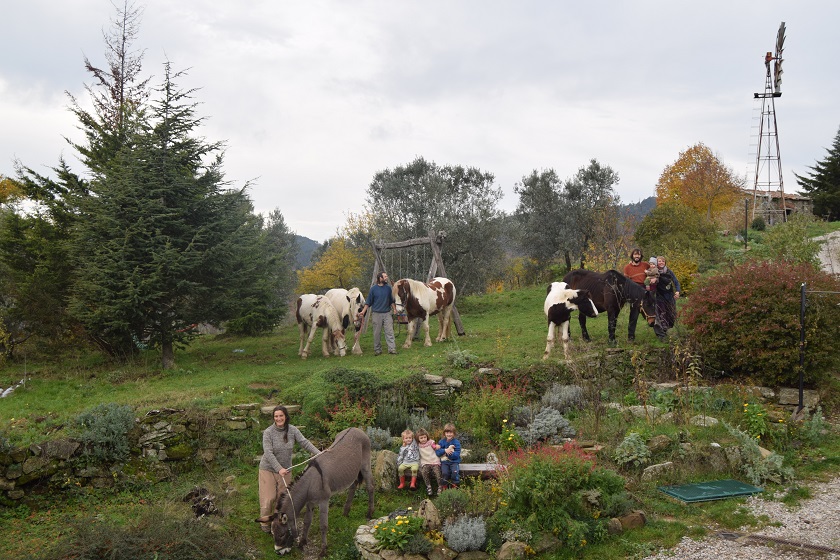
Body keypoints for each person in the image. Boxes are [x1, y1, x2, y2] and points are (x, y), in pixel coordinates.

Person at [258, 405, 320, 533]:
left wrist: (319, 453)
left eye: (281, 415)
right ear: (273, 418)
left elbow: (304, 442)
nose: (279, 418)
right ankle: (265, 523)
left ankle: (276, 523)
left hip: (286, 470)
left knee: (282, 500)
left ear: (285, 416)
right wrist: (278, 468)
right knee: (268, 498)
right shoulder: (268, 432)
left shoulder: (292, 430)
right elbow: (268, 453)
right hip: (268, 469)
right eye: (276, 416)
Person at [357, 271, 397, 355]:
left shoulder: (388, 288)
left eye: (386, 276)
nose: (387, 278)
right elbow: (368, 302)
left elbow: (391, 301)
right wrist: (363, 312)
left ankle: (392, 349)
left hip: (387, 314)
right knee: (376, 333)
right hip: (376, 314)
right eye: (385, 276)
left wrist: (394, 309)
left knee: (389, 332)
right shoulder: (373, 289)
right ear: (380, 278)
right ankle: (377, 350)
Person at [623, 248, 650, 342]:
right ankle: (631, 336)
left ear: (641, 256)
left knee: (651, 311)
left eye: (638, 254)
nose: (637, 256)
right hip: (634, 291)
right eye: (635, 254)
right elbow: (625, 282)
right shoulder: (627, 267)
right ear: (632, 256)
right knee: (634, 314)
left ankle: (660, 333)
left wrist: (651, 277)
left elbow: (653, 271)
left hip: (645, 289)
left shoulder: (646, 265)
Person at [652, 256, 681, 341]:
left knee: (672, 315)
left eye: (663, 261)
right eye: (659, 261)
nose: (661, 262)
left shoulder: (669, 272)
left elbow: (676, 282)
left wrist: (678, 291)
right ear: (657, 263)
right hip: (660, 297)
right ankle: (662, 334)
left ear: (665, 262)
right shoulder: (655, 272)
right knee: (662, 315)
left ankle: (668, 329)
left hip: (670, 295)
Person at [435, 423, 462, 490]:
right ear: (444, 433)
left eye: (451, 432)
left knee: (454, 472)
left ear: (454, 433)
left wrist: (447, 453)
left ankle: (454, 486)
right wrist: (445, 450)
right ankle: (444, 487)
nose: (449, 434)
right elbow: (438, 452)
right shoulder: (441, 442)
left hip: (454, 462)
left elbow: (456, 455)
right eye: (447, 432)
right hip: (445, 462)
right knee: (445, 473)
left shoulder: (456, 442)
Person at [416, 428, 442, 496]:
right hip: (425, 462)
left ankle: (440, 486)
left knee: (437, 472)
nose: (423, 439)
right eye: (421, 438)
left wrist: (436, 447)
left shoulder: (430, 442)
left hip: (434, 461)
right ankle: (428, 486)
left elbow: (434, 446)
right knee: (424, 472)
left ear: (427, 436)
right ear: (418, 439)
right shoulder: (418, 445)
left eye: (425, 437)